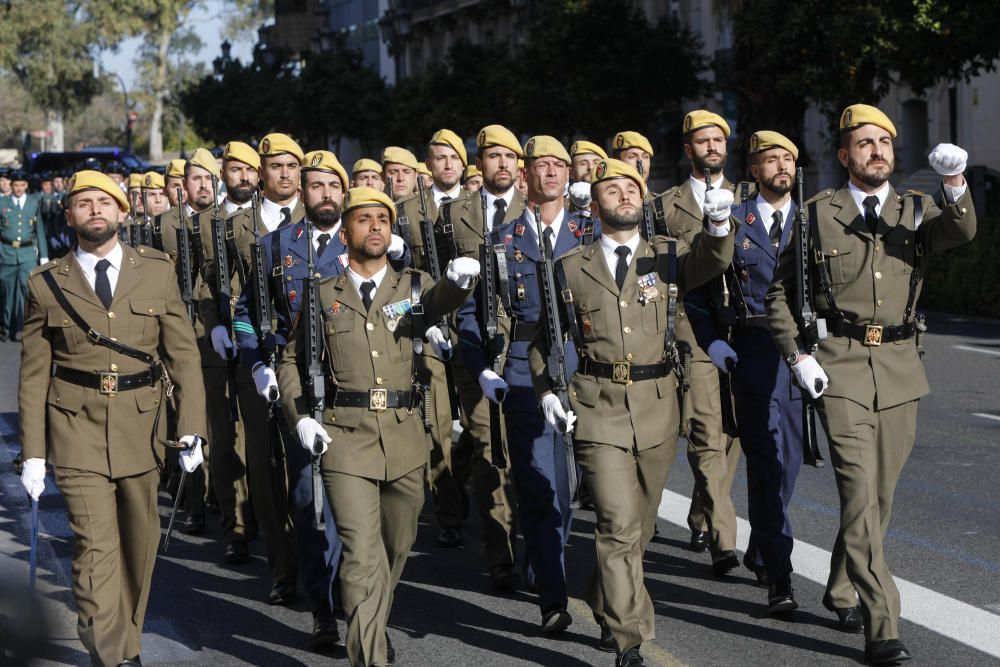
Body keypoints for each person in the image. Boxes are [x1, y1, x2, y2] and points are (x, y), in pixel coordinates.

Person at [766, 104, 976, 665]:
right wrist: (797, 356)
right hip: (840, 366)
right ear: (844, 156)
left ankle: (840, 585)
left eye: (884, 142)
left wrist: (955, 182)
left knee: (879, 500)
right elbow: (778, 295)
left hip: (903, 367)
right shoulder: (816, 215)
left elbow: (960, 230)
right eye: (864, 143)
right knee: (859, 495)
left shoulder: (917, 207)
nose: (877, 150)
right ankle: (882, 625)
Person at [529, 158, 734, 666]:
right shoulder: (569, 266)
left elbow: (710, 261)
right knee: (616, 524)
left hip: (659, 406)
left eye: (632, 189)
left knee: (639, 529)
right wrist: (547, 390)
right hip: (597, 406)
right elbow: (542, 340)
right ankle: (628, 638)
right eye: (613, 189)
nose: (625, 196)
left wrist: (719, 224)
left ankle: (605, 599)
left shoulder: (668, 256)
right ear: (595, 204)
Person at [277, 186, 480, 667]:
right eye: (364, 220)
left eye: (383, 221)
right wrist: (300, 415)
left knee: (396, 547)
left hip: (405, 436)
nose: (375, 227)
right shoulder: (322, 294)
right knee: (362, 556)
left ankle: (369, 620)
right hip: (344, 438)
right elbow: (291, 359)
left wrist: (460, 284)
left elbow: (437, 301)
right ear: (344, 233)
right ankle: (370, 655)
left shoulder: (411, 288)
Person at [18, 170, 206, 667]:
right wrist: (34, 454)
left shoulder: (157, 270)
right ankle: (112, 654)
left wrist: (192, 427)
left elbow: (183, 354)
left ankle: (126, 640)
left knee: (138, 547)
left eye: (105, 201)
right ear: (69, 216)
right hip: (74, 428)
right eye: (84, 203)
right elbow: (35, 376)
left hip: (142, 426)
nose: (95, 210)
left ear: (123, 212)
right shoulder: (45, 284)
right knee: (94, 547)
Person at [457, 134, 598, 634]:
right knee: (541, 486)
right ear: (524, 177)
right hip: (523, 371)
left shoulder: (592, 233)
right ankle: (554, 601)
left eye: (561, 165)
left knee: (595, 490)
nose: (554, 172)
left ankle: (598, 594)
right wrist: (484, 369)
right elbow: (472, 319)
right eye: (542, 165)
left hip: (590, 367)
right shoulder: (502, 244)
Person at [684, 131, 817, 613]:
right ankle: (780, 576)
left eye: (788, 158)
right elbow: (694, 288)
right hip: (755, 349)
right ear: (753, 170)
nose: (781, 165)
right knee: (768, 460)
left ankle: (763, 540)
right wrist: (713, 341)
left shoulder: (813, 221)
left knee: (794, 463)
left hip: (806, 350)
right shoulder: (731, 220)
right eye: (770, 159)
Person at [650, 110, 744, 572]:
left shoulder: (745, 199)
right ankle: (725, 541)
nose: (711, 147)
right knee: (707, 432)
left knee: (733, 434)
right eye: (702, 141)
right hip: (693, 328)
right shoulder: (665, 206)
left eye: (717, 140)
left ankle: (702, 512)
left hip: (742, 327)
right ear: (688, 149)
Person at [0, 170, 47, 341]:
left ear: (26, 185)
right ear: (11, 185)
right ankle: (5, 327)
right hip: (6, 253)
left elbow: (39, 231)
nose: (19, 188)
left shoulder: (33, 203)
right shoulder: (2, 203)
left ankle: (23, 327)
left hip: (27, 255)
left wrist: (44, 256)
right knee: (7, 293)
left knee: (28, 292)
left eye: (22, 185)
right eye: (16, 185)